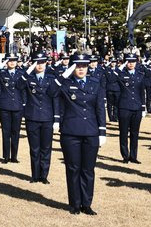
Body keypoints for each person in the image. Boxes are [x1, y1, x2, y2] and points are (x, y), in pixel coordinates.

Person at [52, 53, 106, 215]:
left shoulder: (95, 84)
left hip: (91, 132)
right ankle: (75, 204)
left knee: (88, 170)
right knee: (73, 168)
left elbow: (100, 109)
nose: (81, 69)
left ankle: (86, 204)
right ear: (72, 67)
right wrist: (64, 74)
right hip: (71, 132)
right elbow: (51, 91)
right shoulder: (65, 84)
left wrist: (102, 131)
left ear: (88, 66)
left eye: (84, 66)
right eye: (77, 65)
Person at [18, 52, 57, 183]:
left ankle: (44, 176)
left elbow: (55, 98)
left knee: (46, 148)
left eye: (42, 62)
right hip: (32, 116)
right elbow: (18, 86)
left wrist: (56, 118)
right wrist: (27, 72)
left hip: (47, 117)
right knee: (34, 148)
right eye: (37, 62)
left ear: (46, 63)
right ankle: (35, 175)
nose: (39, 65)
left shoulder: (51, 78)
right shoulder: (28, 77)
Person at [114, 53, 148, 163]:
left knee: (135, 133)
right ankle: (125, 156)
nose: (131, 64)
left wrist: (143, 107)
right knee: (123, 133)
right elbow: (111, 77)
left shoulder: (140, 74)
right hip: (124, 107)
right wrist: (121, 66)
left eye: (133, 61)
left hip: (137, 107)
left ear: (136, 62)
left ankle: (133, 156)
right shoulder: (121, 74)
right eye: (128, 61)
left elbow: (142, 91)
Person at [0, 53, 24, 163]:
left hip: (17, 106)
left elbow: (24, 90)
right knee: (6, 132)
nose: (12, 62)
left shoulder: (21, 74)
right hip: (5, 106)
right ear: (6, 62)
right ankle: (6, 156)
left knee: (15, 132)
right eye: (9, 60)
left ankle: (14, 156)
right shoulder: (2, 73)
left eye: (14, 60)